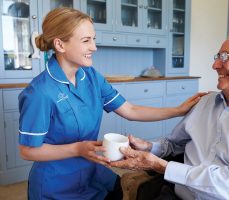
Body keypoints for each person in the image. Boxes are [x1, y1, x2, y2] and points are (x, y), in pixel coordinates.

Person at [18, 7, 203, 200]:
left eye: (93, 39)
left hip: (92, 171)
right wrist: (77, 148)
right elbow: (28, 151)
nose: (94, 47)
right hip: (56, 184)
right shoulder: (39, 92)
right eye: (86, 40)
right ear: (60, 45)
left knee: (117, 190)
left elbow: (130, 109)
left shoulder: (91, 77)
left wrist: (177, 110)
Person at [111, 30, 229, 199]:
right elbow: (175, 144)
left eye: (226, 56)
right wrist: (149, 147)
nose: (215, 65)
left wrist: (161, 166)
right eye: (218, 56)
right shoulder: (206, 102)